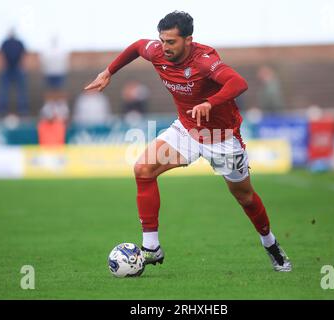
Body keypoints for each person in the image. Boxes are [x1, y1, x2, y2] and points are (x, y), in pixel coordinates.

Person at [85, 11, 291, 272]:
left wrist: (210, 102)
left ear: (188, 40)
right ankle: (152, 247)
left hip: (221, 137)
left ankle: (270, 244)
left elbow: (238, 82)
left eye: (171, 42)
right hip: (187, 130)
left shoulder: (205, 61)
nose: (164, 47)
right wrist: (108, 71)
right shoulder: (158, 52)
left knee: (245, 197)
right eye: (162, 40)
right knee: (143, 169)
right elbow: (138, 46)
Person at [0, 30, 29, 116]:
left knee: (21, 91)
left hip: (17, 68)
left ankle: (23, 110)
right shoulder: (5, 43)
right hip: (7, 69)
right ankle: (1, 110)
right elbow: (1, 54)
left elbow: (23, 55)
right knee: (3, 90)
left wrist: (23, 66)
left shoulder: (19, 43)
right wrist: (2, 65)